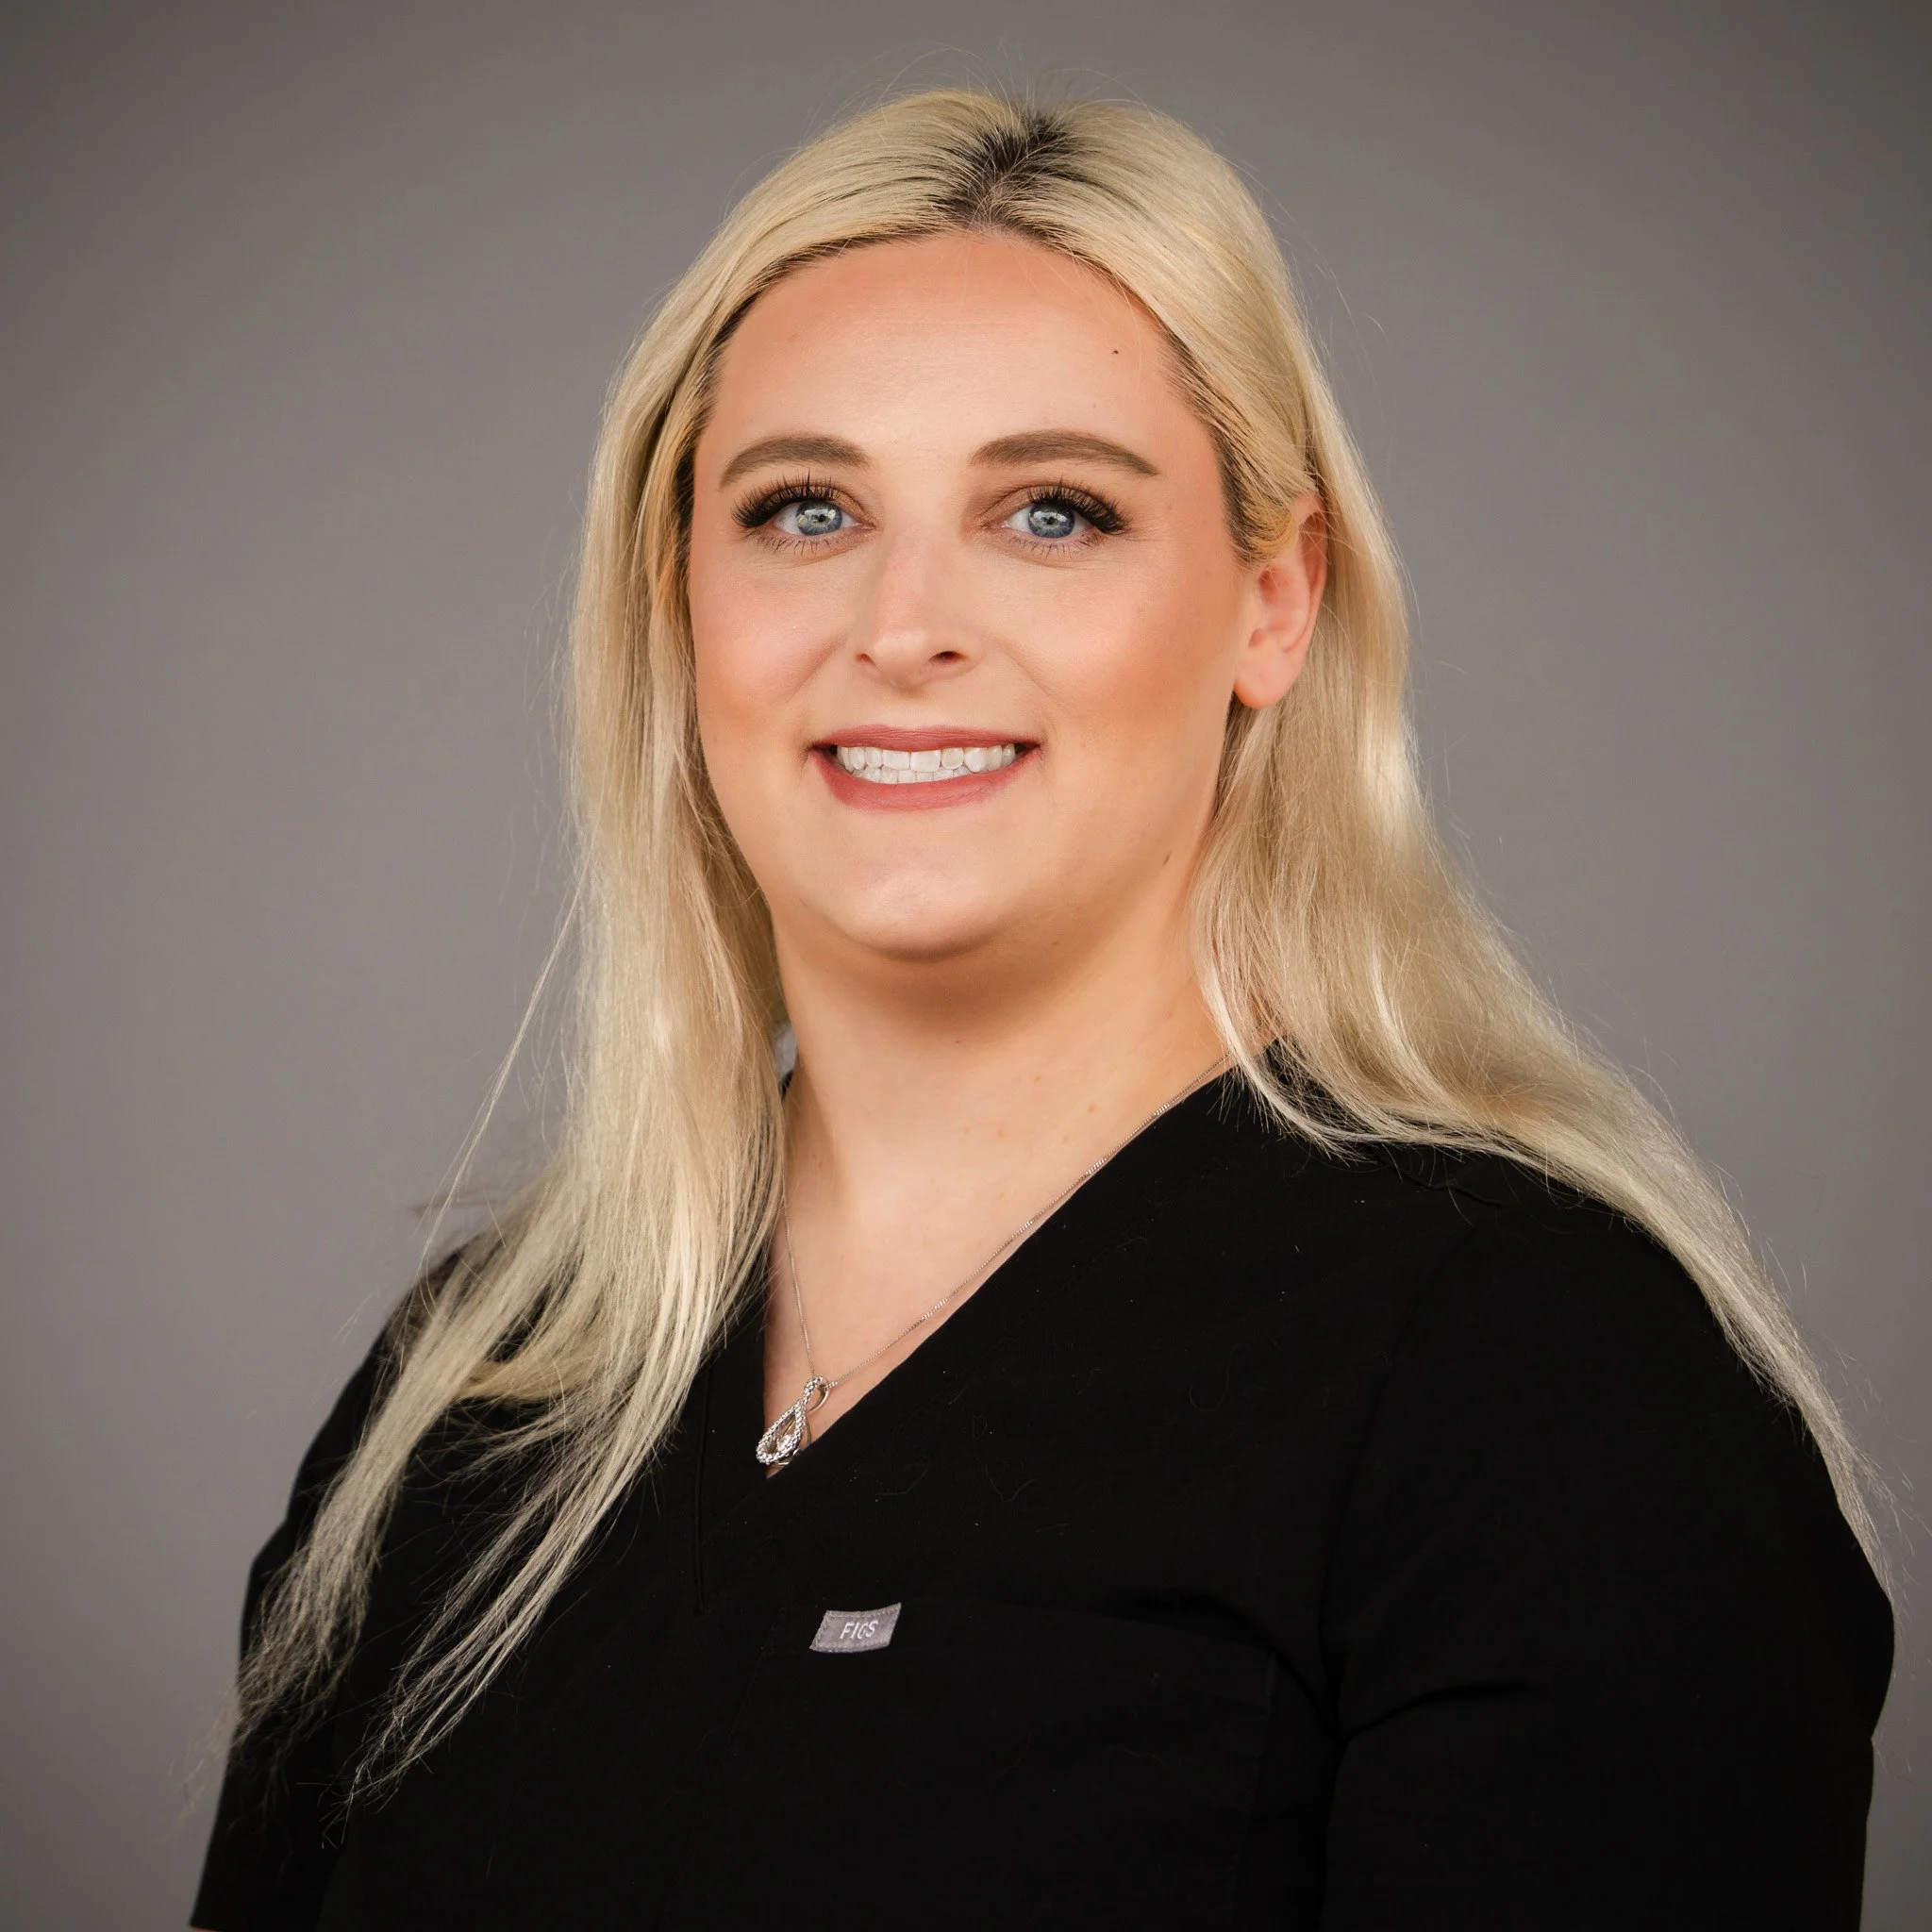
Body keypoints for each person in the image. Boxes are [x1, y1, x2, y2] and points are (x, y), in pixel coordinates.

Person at [191, 89, 1891, 1930]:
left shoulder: (1547, 1388)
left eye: (1052, 510)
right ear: (681, 607)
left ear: (1269, 602)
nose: (901, 621)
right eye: (804, 507)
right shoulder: (472, 1398)